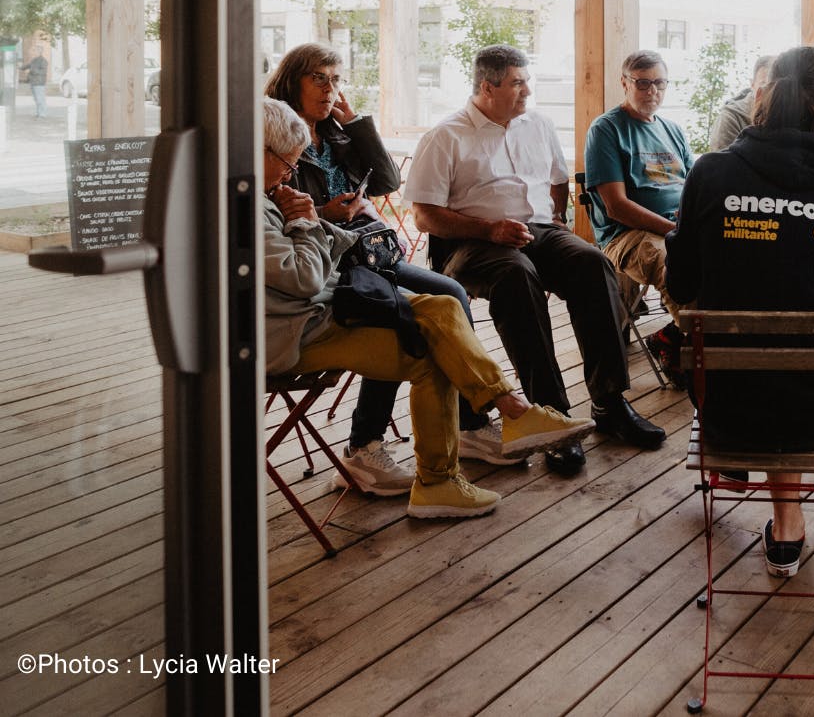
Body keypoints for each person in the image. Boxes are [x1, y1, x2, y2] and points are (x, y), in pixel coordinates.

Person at [261, 99, 595, 518]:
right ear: (262, 150)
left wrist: (326, 222)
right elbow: (304, 276)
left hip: (326, 304)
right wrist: (309, 223)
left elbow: (375, 190)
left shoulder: (272, 188)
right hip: (297, 329)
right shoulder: (246, 205)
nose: (291, 173)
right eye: (288, 164)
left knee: (441, 305)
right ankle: (458, 463)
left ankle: (498, 427)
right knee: (431, 341)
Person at [666, 45, 814, 578]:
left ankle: (774, 505)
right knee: (796, 354)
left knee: (758, 364)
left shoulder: (710, 175)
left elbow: (682, 284)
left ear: (758, 102)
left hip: (727, 404)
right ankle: (787, 521)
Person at [406, 44, 667, 475]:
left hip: (538, 230)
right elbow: (423, 216)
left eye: (528, 81)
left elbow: (557, 180)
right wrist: (489, 229)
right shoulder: (446, 136)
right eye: (517, 83)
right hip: (474, 241)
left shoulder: (538, 124)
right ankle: (551, 418)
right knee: (516, 275)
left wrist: (560, 221)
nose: (527, 91)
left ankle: (609, 402)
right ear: (488, 87)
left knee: (591, 263)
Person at [265, 43, 496, 491]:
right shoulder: (276, 142)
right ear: (291, 81)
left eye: (336, 80)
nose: (330, 89)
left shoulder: (334, 132)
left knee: (451, 292)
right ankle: (366, 443)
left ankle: (472, 423)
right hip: (331, 260)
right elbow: (287, 225)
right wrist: (328, 215)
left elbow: (388, 182)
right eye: (319, 79)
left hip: (366, 251)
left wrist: (354, 124)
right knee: (397, 313)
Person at [583, 49, 694, 375]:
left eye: (660, 83)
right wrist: (673, 231)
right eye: (643, 84)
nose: (652, 91)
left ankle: (674, 337)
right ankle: (704, 361)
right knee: (677, 268)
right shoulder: (606, 129)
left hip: (677, 228)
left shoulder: (672, 129)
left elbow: (694, 186)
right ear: (625, 83)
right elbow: (617, 207)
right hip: (628, 235)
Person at [708, 55, 772, 152]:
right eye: (763, 84)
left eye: (775, 85)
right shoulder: (731, 117)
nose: (770, 91)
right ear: (752, 84)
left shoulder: (791, 114)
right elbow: (720, 162)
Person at [26, 50, 47, 119]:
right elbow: (28, 65)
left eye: (35, 51)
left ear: (39, 52)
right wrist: (20, 67)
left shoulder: (43, 61)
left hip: (39, 83)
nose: (33, 53)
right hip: (33, 82)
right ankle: (39, 113)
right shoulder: (34, 60)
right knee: (36, 99)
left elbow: (43, 72)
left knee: (40, 99)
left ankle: (42, 115)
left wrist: (32, 70)